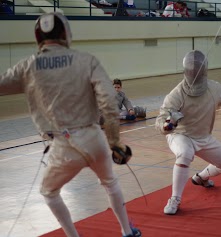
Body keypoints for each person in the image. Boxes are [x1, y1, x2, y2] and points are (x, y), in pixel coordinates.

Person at [0, 12, 141, 237]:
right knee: (110, 182)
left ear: (38, 36)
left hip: (62, 145)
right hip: (94, 138)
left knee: (49, 192)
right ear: (66, 33)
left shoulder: (29, 66)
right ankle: (127, 231)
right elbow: (109, 105)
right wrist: (114, 141)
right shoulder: (87, 60)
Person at [155, 50, 221, 215]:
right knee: (184, 153)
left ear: (203, 71)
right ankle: (175, 198)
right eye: (192, 72)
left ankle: (201, 177)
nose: (194, 74)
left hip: (204, 137)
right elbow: (161, 120)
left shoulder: (214, 88)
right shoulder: (176, 94)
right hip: (181, 135)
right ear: (186, 72)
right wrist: (166, 127)